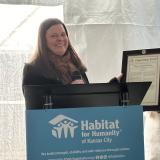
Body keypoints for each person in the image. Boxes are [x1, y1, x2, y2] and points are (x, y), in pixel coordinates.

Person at [22, 18, 89, 87]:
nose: (60, 39)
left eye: (63, 34)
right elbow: (34, 97)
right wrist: (69, 91)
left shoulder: (76, 64)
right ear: (43, 41)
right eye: (54, 36)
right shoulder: (33, 69)